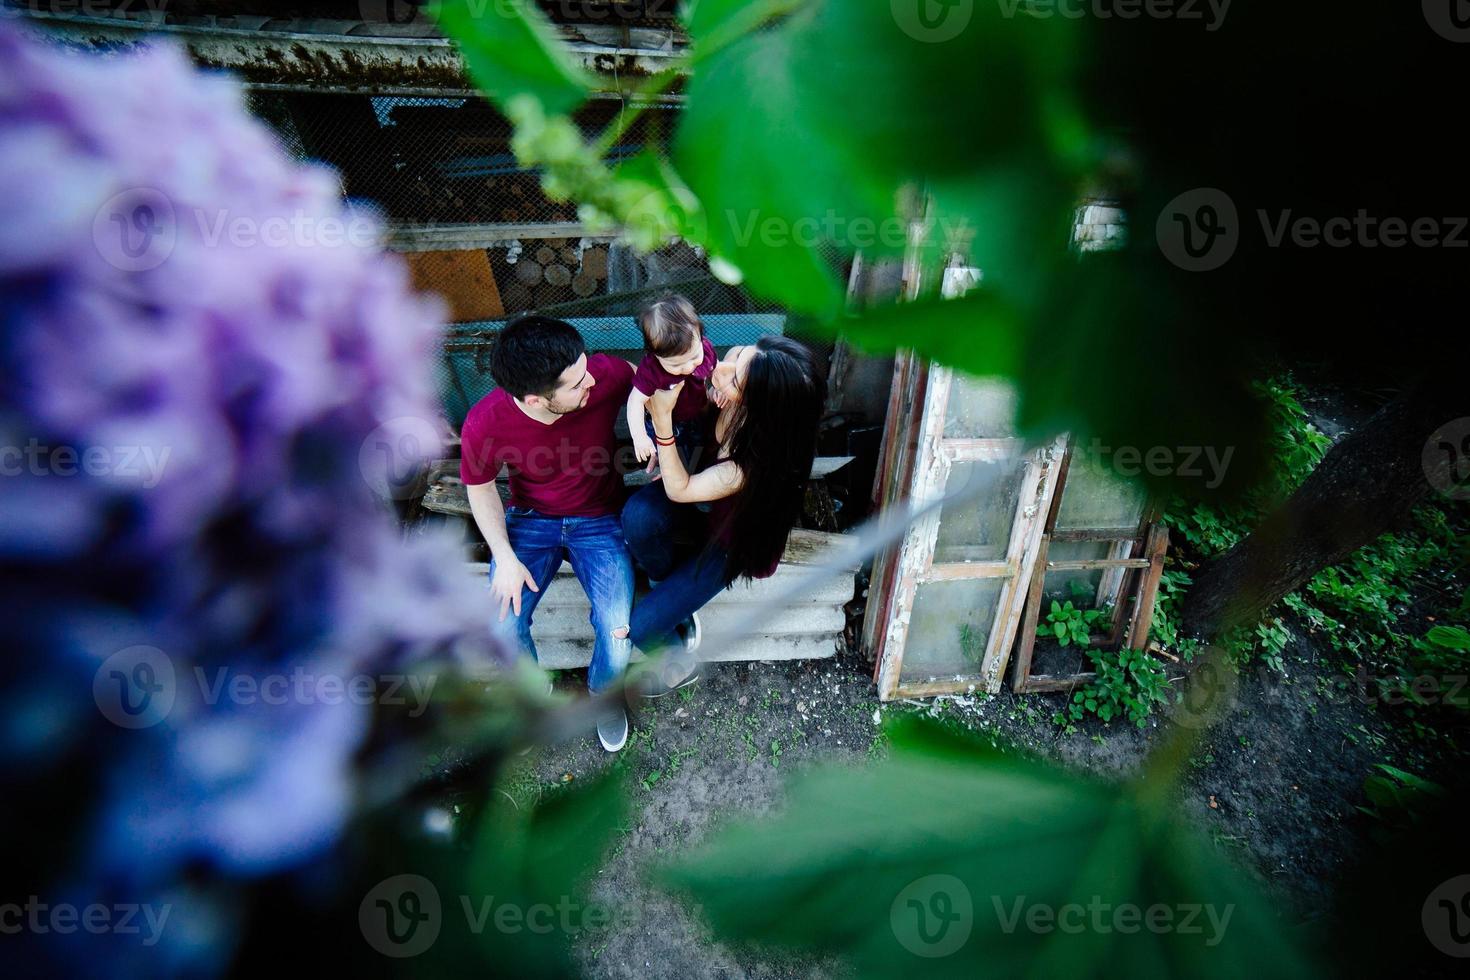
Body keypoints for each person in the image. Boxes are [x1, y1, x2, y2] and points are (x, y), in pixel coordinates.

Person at [459, 315, 635, 751]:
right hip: (530, 520)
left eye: (585, 367)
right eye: (576, 384)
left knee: (617, 628)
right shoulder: (485, 423)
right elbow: (479, 489)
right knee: (501, 627)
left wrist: (652, 433)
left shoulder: (602, 376)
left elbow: (641, 380)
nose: (590, 381)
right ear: (537, 399)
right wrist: (504, 556)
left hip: (600, 521)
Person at [622, 336, 826, 690]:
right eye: (738, 354)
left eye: (735, 382)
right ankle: (672, 594)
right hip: (702, 499)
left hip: (730, 537)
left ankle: (679, 660)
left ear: (760, 406)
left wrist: (662, 421)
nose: (720, 372)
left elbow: (680, 489)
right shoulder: (726, 379)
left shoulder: (753, 461)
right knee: (637, 516)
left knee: (641, 628)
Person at [625, 293, 718, 473]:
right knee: (677, 454)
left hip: (697, 412)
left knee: (699, 444)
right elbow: (635, 401)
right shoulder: (652, 370)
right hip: (668, 424)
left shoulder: (704, 348)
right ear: (655, 355)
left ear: (700, 337)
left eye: (694, 357)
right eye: (676, 364)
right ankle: (675, 474)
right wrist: (639, 437)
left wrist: (719, 387)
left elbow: (715, 369)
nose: (688, 367)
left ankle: (696, 469)